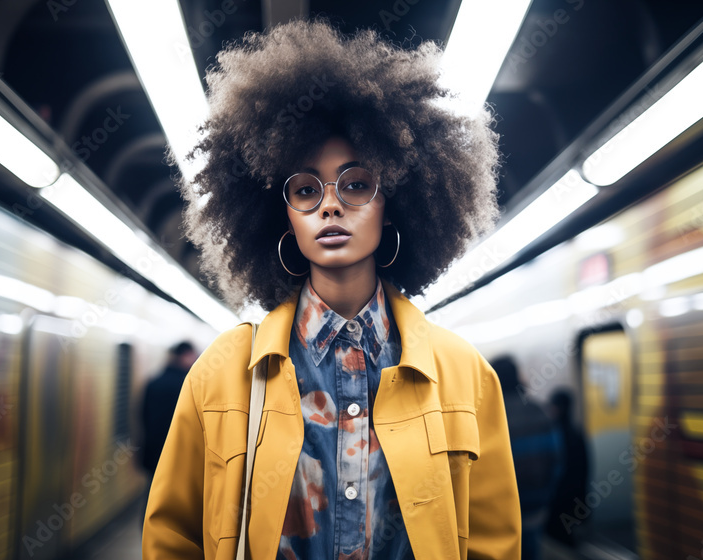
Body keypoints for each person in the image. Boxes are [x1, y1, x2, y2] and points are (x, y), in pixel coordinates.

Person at [143, 19, 520, 560]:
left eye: (357, 183)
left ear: (397, 198)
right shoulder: (223, 374)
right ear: (282, 215)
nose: (331, 205)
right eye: (304, 189)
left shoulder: (466, 378)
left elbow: (493, 544)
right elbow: (171, 538)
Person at [492, 357, 563, 560]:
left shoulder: (490, 415)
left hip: (503, 510)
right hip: (537, 504)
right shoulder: (540, 411)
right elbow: (557, 461)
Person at [140, 341, 198, 476]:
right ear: (184, 356)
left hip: (153, 450)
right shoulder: (187, 385)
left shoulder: (154, 381)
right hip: (178, 452)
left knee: (153, 488)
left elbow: (143, 415)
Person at [544, 389, 590, 548]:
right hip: (573, 500)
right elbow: (584, 472)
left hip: (557, 500)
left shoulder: (554, 434)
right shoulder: (576, 434)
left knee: (556, 542)